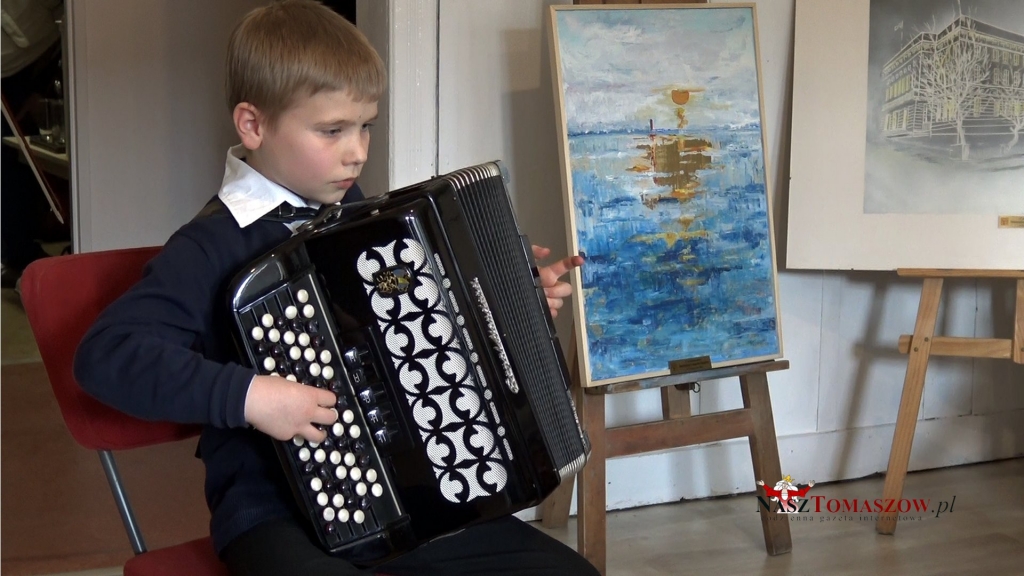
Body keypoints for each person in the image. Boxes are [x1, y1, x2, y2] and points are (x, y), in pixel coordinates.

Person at [72, 1, 594, 575]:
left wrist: (509, 304)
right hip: (273, 516)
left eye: (365, 126)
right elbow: (107, 356)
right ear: (253, 125)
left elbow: (416, 329)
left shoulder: (356, 216)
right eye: (332, 131)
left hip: (414, 498)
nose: (358, 151)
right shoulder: (209, 246)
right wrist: (254, 396)